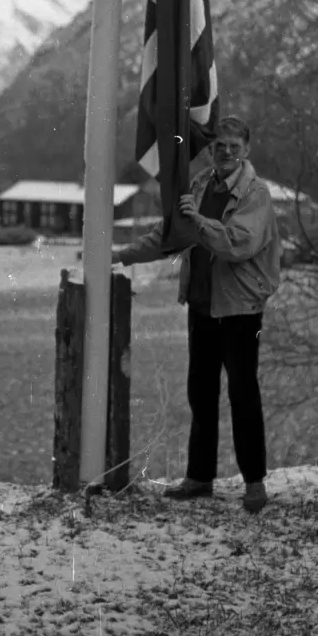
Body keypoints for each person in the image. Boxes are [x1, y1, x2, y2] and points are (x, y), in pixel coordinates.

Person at [112, 116, 281, 513]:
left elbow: (238, 243)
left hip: (240, 310)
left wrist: (199, 221)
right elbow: (170, 235)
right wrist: (121, 256)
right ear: (211, 148)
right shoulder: (201, 183)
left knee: (243, 395)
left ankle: (254, 483)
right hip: (202, 306)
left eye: (234, 147)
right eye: (219, 145)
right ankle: (200, 477)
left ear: (247, 151)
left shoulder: (257, 194)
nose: (225, 152)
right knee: (201, 394)